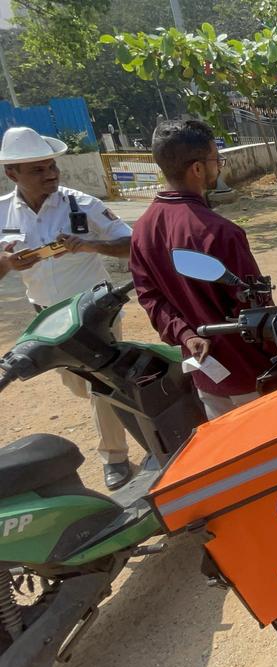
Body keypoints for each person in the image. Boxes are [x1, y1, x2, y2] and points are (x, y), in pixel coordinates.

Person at [0, 127, 135, 490]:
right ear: (12, 173)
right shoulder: (1, 212)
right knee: (80, 385)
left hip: (94, 313)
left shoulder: (83, 205)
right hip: (47, 320)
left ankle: (115, 458)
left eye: (52, 166)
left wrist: (91, 245)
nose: (51, 174)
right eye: (38, 170)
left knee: (101, 387)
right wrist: (9, 263)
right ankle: (140, 410)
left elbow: (131, 244)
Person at [129, 119, 273, 420]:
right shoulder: (220, 232)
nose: (218, 166)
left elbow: (150, 297)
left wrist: (185, 335)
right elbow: (254, 309)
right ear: (197, 168)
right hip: (251, 373)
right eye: (215, 159)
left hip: (205, 373)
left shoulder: (142, 230)